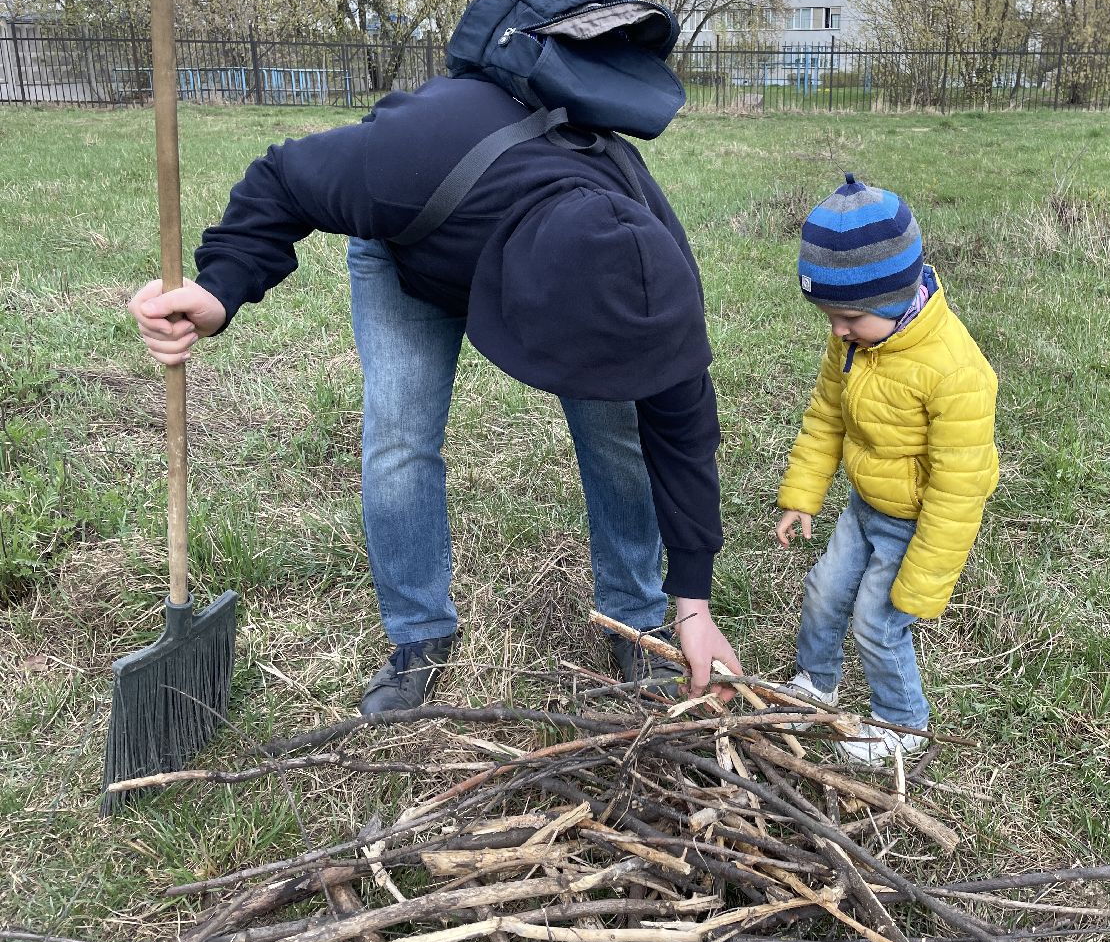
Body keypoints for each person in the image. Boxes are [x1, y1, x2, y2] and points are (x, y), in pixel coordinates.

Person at [128, 65, 742, 714]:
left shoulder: (651, 275)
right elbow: (282, 178)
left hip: (545, 252)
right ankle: (419, 633)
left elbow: (682, 438)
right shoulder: (403, 166)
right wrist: (220, 288)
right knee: (397, 435)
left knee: (619, 429)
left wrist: (692, 607)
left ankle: (639, 622)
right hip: (411, 246)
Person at [774, 174, 998, 765]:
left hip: (915, 524)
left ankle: (903, 727)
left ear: (895, 296)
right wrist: (802, 495)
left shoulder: (955, 371)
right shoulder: (855, 342)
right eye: (828, 316)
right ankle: (814, 686)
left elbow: (961, 486)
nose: (837, 330)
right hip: (864, 506)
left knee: (878, 620)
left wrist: (924, 579)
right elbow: (827, 414)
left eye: (847, 317)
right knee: (824, 590)